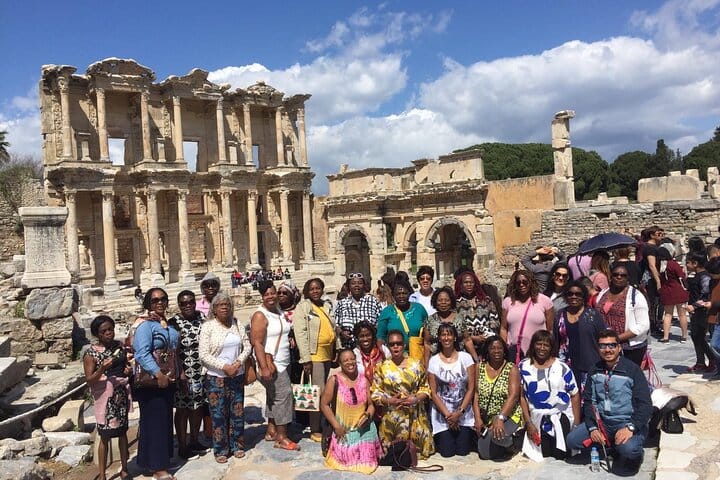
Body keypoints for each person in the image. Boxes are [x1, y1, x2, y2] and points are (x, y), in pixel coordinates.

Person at [566, 329, 653, 475]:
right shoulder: (595, 370)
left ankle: (633, 453)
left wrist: (631, 427)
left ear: (619, 347)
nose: (607, 350)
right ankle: (610, 446)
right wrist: (593, 428)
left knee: (629, 450)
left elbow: (645, 405)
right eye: (603, 346)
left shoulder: (632, 370)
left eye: (612, 345)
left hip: (626, 422)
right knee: (572, 440)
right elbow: (588, 401)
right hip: (603, 423)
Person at [132, 288, 180, 480]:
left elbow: (173, 349)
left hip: (168, 379)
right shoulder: (145, 326)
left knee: (162, 420)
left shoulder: (165, 323)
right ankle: (159, 468)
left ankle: (150, 462)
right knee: (155, 423)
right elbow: (141, 353)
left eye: (163, 299)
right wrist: (158, 374)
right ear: (148, 304)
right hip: (152, 381)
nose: (160, 302)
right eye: (155, 300)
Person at [198, 292, 251, 463]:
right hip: (216, 377)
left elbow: (247, 346)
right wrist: (224, 367)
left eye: (227, 304)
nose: (224, 307)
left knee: (237, 412)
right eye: (220, 305)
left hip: (236, 375)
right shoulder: (208, 327)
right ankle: (221, 449)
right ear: (214, 308)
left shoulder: (236, 323)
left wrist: (237, 363)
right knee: (218, 414)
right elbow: (203, 354)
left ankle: (237, 445)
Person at [250, 281, 299, 451]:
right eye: (267, 294)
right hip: (271, 362)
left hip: (283, 360)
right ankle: (282, 437)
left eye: (273, 293)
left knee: (273, 395)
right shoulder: (260, 315)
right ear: (262, 296)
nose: (271, 297)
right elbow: (257, 343)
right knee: (283, 396)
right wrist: (264, 367)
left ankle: (271, 431)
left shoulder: (277, 310)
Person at [371, 330, 435, 459]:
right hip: (392, 416)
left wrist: (415, 399)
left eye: (399, 343)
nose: (396, 347)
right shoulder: (381, 366)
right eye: (392, 344)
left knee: (416, 455)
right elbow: (375, 392)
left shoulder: (416, 364)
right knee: (394, 456)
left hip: (415, 414)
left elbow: (425, 388)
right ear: (388, 346)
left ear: (404, 345)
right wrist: (389, 401)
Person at [518, 330, 580, 462]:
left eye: (546, 345)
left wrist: (576, 423)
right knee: (544, 456)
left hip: (560, 416)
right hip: (537, 419)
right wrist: (528, 422)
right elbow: (521, 396)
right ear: (533, 345)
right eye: (539, 344)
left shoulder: (562, 367)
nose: (542, 348)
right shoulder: (523, 366)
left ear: (551, 347)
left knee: (561, 457)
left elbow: (574, 394)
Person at [321, 349, 384, 474]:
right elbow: (324, 405)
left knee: (367, 465)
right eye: (345, 360)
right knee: (343, 460)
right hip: (343, 430)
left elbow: (371, 405)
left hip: (363, 430)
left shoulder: (364, 380)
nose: (350, 362)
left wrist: (367, 415)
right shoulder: (334, 380)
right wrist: (336, 426)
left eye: (352, 359)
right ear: (340, 363)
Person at [84, 315, 131, 480]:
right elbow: (89, 379)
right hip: (105, 398)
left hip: (120, 395)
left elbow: (124, 365)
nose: (108, 333)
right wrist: (101, 369)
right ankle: (103, 475)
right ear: (97, 334)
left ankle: (125, 468)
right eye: (104, 331)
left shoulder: (119, 346)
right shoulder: (91, 353)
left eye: (110, 329)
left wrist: (127, 370)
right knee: (104, 436)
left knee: (122, 432)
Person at [293, 278, 340, 443]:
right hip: (314, 355)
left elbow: (333, 328)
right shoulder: (303, 307)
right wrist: (305, 358)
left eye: (318, 288)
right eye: (312, 289)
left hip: (327, 353)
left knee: (325, 391)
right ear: (307, 291)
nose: (315, 291)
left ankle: (322, 422)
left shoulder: (325, 305)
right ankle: (315, 428)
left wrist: (336, 348)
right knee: (317, 393)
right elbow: (300, 333)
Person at [427, 324, 476, 457]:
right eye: (443, 335)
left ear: (454, 337)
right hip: (443, 414)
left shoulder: (466, 358)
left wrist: (459, 413)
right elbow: (433, 393)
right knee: (447, 452)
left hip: (463, 412)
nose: (446, 338)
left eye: (449, 334)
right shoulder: (433, 361)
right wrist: (448, 416)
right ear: (439, 338)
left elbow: (471, 388)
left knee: (462, 451)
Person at [169, 290, 207, 459]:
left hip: (201, 371)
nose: (188, 305)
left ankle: (194, 440)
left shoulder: (202, 318)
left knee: (197, 406)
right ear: (179, 305)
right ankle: (182, 446)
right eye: (184, 303)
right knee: (182, 409)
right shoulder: (174, 323)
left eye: (191, 302)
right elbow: (172, 350)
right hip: (183, 371)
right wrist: (181, 373)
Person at [473, 336, 523, 460]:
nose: (496, 351)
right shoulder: (479, 367)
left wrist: (500, 417)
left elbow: (513, 396)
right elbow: (476, 394)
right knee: (484, 454)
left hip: (508, 415)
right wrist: (478, 418)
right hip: (487, 417)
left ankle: (513, 443)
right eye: (492, 348)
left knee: (498, 437)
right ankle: (499, 444)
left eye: (499, 348)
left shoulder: (511, 368)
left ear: (504, 350)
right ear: (487, 350)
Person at [595, 264, 650, 367]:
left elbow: (643, 325)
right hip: (606, 345)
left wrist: (617, 338)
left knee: (626, 374)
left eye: (623, 275)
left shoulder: (636, 296)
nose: (619, 277)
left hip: (629, 348)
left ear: (628, 278)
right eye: (616, 275)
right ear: (611, 276)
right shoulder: (603, 293)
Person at [554, 280, 606, 387]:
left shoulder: (593, 315)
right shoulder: (560, 315)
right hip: (566, 366)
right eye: (570, 294)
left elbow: (603, 338)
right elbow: (555, 340)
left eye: (578, 294)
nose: (574, 297)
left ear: (584, 296)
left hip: (589, 365)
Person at [500, 270, 554, 363]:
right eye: (518, 283)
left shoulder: (545, 301)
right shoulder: (508, 301)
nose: (522, 285)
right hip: (513, 352)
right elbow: (503, 328)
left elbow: (549, 330)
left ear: (531, 283)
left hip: (537, 352)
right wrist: (504, 349)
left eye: (525, 282)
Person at [455, 269, 502, 362]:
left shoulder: (486, 300)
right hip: (465, 347)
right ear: (461, 285)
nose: (469, 285)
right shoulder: (456, 304)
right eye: (466, 282)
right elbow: (456, 327)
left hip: (486, 344)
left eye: (471, 282)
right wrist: (473, 338)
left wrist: (486, 335)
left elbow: (494, 321)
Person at [376, 275, 428, 360]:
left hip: (417, 357)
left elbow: (427, 335)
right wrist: (386, 355)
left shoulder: (419, 309)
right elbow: (380, 338)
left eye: (404, 293)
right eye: (398, 294)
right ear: (393, 295)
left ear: (409, 294)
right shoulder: (387, 312)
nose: (401, 296)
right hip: (394, 359)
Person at [334, 273, 382, 349]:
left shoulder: (373, 301)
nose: (356, 285)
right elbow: (336, 324)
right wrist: (341, 333)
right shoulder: (342, 303)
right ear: (349, 286)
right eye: (353, 283)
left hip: (370, 347)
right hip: (348, 347)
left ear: (364, 285)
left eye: (360, 283)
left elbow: (380, 322)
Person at [686, 253, 715, 372]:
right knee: (695, 336)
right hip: (696, 312)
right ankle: (701, 362)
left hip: (702, 312)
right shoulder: (697, 276)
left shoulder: (705, 277)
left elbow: (705, 296)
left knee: (699, 336)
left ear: (695, 263)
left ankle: (712, 360)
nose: (686, 265)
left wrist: (694, 306)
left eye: (688, 262)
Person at [423, 286, 465, 365]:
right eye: (440, 300)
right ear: (435, 302)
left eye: (447, 300)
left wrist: (476, 359)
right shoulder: (429, 320)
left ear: (451, 301)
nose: (443, 303)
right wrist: (427, 365)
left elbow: (467, 340)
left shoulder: (459, 318)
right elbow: (427, 343)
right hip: (436, 361)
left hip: (458, 360)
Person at [658, 243, 689, 343]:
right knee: (682, 315)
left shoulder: (659, 265)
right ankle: (684, 336)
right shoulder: (673, 264)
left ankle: (666, 337)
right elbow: (681, 276)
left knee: (667, 315)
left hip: (667, 292)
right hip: (678, 291)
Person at [640, 226, 664, 334]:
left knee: (655, 302)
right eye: (659, 234)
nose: (661, 236)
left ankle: (654, 324)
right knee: (652, 302)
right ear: (652, 235)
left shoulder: (653, 247)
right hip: (651, 279)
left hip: (653, 277)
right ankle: (652, 325)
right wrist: (658, 281)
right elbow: (652, 265)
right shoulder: (650, 248)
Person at [352, 321, 390, 387]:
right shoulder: (355, 354)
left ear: (373, 336)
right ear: (357, 338)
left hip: (383, 388)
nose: (365, 339)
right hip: (363, 389)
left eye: (368, 335)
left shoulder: (383, 350)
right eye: (361, 336)